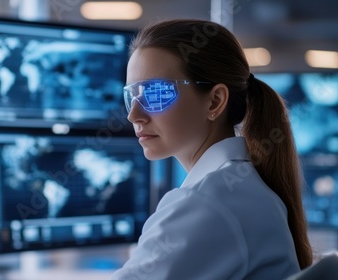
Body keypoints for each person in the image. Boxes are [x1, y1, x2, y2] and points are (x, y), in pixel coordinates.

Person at [111, 19, 313, 279]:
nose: (134, 115)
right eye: (132, 96)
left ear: (215, 102)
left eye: (155, 94)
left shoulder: (205, 203)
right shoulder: (239, 188)